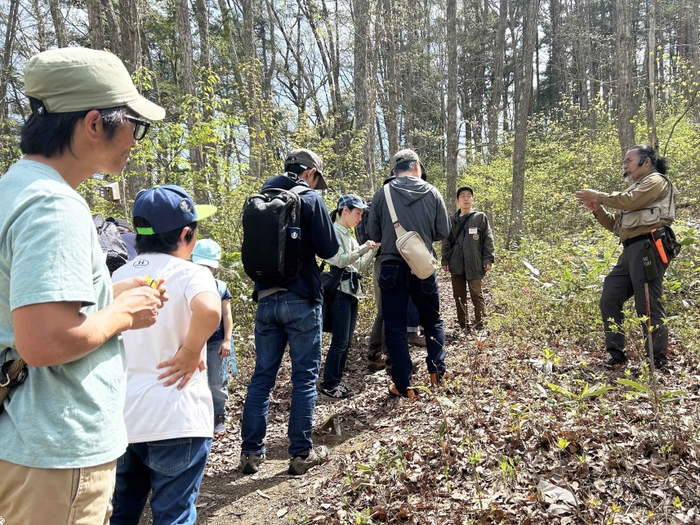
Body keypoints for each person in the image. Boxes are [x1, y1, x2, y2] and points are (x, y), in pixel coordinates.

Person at [0, 47, 166, 524]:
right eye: (134, 124)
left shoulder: (16, 188)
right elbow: (44, 341)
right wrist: (121, 315)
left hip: (24, 439)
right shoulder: (54, 206)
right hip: (55, 446)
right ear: (94, 123)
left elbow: (23, 315)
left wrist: (105, 295)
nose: (136, 140)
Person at [110, 185, 221, 525]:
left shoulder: (117, 276)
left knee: (121, 513)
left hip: (125, 419)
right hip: (178, 416)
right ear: (186, 235)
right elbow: (209, 310)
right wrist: (190, 350)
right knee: (173, 515)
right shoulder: (191, 273)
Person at [240, 148, 339, 475]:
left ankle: (250, 453)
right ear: (310, 172)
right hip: (301, 300)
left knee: (262, 376)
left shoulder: (261, 198)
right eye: (317, 178)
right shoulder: (310, 200)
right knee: (305, 377)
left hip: (266, 299)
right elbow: (329, 249)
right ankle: (300, 454)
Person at [575, 144, 678, 369]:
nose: (625, 166)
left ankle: (656, 360)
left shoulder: (655, 181)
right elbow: (615, 226)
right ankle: (617, 355)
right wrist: (597, 209)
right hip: (630, 249)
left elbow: (629, 201)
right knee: (610, 296)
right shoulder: (634, 190)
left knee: (647, 304)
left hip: (649, 246)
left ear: (646, 162)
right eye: (624, 162)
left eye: (629, 161)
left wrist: (600, 196)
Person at [368, 149, 450, 397]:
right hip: (423, 263)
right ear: (417, 166)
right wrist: (420, 236)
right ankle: (437, 374)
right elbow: (443, 230)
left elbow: (373, 234)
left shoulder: (383, 193)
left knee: (394, 327)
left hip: (391, 265)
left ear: (394, 171)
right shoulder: (432, 191)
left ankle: (405, 386)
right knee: (432, 321)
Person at [319, 194, 379, 399]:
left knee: (346, 341)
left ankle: (336, 380)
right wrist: (364, 248)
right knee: (340, 340)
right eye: (358, 213)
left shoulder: (350, 236)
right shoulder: (332, 233)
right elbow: (339, 260)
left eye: (362, 214)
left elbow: (358, 266)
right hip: (338, 293)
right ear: (345, 210)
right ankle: (329, 383)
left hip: (352, 291)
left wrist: (372, 250)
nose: (360, 219)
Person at [192, 238, 237, 436]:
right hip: (194, 340)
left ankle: (219, 415)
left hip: (216, 340)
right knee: (194, 380)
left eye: (207, 266)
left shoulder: (220, 286)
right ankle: (198, 417)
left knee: (217, 381)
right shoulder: (187, 283)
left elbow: (227, 314)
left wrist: (227, 340)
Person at [441, 186, 495, 331]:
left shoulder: (480, 217)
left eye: (469, 196)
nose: (466, 198)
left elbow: (488, 239)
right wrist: (445, 260)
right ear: (457, 201)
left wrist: (488, 259)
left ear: (472, 199)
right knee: (459, 296)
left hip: (475, 263)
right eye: (462, 196)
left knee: (477, 295)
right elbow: (446, 242)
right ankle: (463, 324)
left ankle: (480, 324)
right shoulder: (451, 220)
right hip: (456, 263)